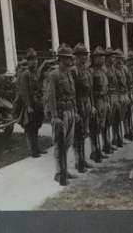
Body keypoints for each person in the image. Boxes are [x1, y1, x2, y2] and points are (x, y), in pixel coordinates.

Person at [47, 43, 79, 185]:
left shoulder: (70, 73)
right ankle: (59, 173)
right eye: (67, 57)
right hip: (60, 114)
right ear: (61, 59)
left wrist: (75, 111)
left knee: (67, 144)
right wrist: (54, 116)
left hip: (70, 112)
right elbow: (51, 96)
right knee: (59, 145)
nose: (71, 60)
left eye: (71, 57)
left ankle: (65, 170)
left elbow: (73, 94)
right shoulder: (54, 74)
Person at [16, 48, 47, 158]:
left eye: (35, 59)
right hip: (29, 105)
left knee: (36, 126)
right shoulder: (26, 74)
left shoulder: (36, 73)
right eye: (32, 60)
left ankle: (37, 148)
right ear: (28, 61)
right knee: (30, 128)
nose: (34, 62)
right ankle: (32, 151)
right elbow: (23, 91)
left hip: (37, 104)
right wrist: (28, 105)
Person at [71, 43, 96, 173]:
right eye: (81, 55)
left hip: (86, 104)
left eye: (85, 55)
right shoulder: (74, 70)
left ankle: (83, 159)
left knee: (84, 133)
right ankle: (77, 160)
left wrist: (91, 105)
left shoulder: (86, 71)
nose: (84, 58)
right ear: (76, 57)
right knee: (77, 134)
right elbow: (72, 92)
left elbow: (90, 90)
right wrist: (75, 110)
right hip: (78, 105)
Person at [88, 46, 108, 163]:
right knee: (94, 128)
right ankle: (94, 151)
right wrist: (92, 105)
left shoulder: (102, 71)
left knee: (101, 126)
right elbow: (90, 91)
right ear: (95, 58)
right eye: (100, 57)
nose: (103, 59)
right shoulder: (91, 71)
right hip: (96, 102)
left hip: (104, 101)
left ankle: (99, 150)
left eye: (104, 56)